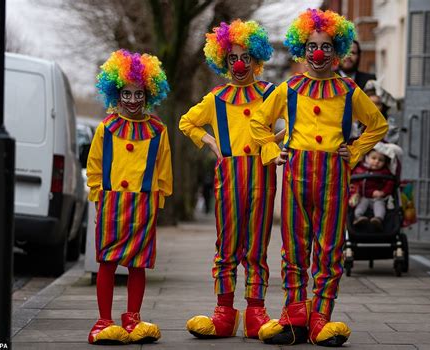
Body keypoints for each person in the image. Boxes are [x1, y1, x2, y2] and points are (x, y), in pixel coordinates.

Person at [250, 9, 388, 346]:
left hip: (334, 176)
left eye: (326, 47)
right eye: (312, 46)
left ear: (337, 50)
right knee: (294, 248)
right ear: (302, 48)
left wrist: (354, 152)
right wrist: (272, 151)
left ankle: (321, 317)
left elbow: (378, 125)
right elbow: (258, 123)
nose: (318, 53)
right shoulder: (288, 89)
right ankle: (295, 315)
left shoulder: (348, 90)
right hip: (297, 173)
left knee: (330, 249)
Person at [179, 19, 284, 340]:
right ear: (223, 61)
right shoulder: (216, 98)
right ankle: (224, 311)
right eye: (231, 59)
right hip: (228, 174)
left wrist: (276, 140)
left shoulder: (270, 93)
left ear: (256, 59)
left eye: (245, 58)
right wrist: (212, 142)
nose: (239, 65)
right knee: (226, 244)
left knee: (256, 245)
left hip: (261, 172)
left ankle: (255, 311)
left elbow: (298, 120)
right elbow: (187, 123)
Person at [86, 49, 172, 345]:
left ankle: (132, 316)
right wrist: (98, 198)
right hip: (112, 203)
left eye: (139, 94)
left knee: (138, 264)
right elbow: (94, 166)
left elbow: (163, 168)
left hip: (143, 204)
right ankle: (104, 319)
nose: (133, 100)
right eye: (126, 93)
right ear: (116, 93)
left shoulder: (158, 130)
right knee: (107, 262)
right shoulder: (106, 128)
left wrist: (157, 202)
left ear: (148, 94)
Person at [349, 147, 395, 230]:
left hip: (377, 197)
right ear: (367, 158)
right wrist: (355, 193)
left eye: (380, 160)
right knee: (360, 205)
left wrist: (383, 192)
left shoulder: (385, 172)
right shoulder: (359, 169)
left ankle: (378, 219)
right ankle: (359, 217)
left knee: (380, 205)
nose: (376, 161)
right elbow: (353, 183)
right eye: (373, 158)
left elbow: (390, 184)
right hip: (363, 196)